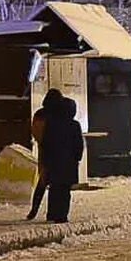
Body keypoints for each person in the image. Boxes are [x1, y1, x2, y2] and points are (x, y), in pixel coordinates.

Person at [38, 95, 86, 224]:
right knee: (64, 191)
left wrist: (46, 160)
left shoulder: (51, 124)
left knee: (54, 188)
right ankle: (61, 214)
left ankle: (52, 213)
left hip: (53, 162)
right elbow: (79, 144)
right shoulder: (74, 125)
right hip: (69, 164)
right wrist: (77, 157)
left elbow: (46, 143)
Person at [25, 89, 65, 221]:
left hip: (43, 150)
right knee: (54, 183)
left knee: (42, 181)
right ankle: (52, 212)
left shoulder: (40, 114)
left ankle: (34, 209)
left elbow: (35, 132)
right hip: (54, 152)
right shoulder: (56, 115)